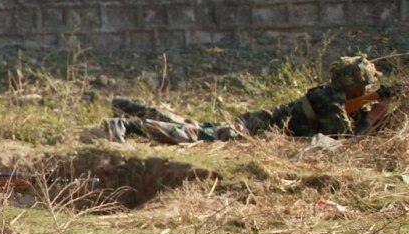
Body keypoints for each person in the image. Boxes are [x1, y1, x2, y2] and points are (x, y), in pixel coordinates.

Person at [88, 55, 392, 145]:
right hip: (252, 131)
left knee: (193, 125)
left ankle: (128, 107)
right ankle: (125, 124)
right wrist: (376, 110)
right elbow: (344, 139)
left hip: (253, 124)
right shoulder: (331, 99)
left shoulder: (332, 94)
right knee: (194, 135)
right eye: (366, 86)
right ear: (355, 85)